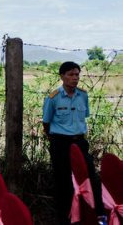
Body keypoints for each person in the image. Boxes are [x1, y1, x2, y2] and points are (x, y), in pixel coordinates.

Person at [42, 61, 105, 225]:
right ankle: (66, 217)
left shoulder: (82, 95)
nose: (75, 78)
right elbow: (46, 122)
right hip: (61, 144)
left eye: (77, 74)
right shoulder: (53, 98)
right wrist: (56, 138)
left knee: (90, 177)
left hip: (80, 142)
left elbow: (83, 118)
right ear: (62, 76)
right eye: (70, 74)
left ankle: (97, 215)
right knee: (63, 181)